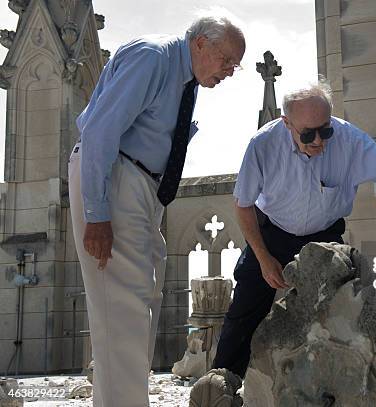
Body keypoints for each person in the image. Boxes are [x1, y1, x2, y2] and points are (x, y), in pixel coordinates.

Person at [211, 80, 376, 379]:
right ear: (286, 123)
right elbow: (243, 205)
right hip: (271, 233)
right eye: (308, 133)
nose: (319, 141)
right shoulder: (263, 145)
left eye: (325, 130)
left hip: (325, 237)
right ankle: (219, 389)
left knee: (342, 312)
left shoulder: (351, 141)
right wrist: (264, 258)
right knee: (243, 315)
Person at [68, 14, 245, 407]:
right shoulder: (153, 58)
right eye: (228, 60)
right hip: (116, 177)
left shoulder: (185, 78)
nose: (230, 72)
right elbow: (100, 131)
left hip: (141, 188)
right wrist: (97, 215)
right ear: (201, 43)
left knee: (139, 305)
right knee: (123, 311)